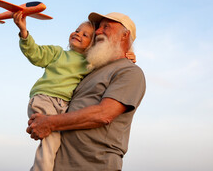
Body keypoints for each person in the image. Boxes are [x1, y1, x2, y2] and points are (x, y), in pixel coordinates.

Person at [13, 12, 136, 171]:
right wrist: (24, 33)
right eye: (77, 31)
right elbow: (36, 53)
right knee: (51, 141)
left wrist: (128, 57)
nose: (78, 34)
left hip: (92, 158)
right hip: (46, 99)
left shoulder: (99, 67)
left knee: (52, 140)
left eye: (86, 35)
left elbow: (104, 113)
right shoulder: (62, 55)